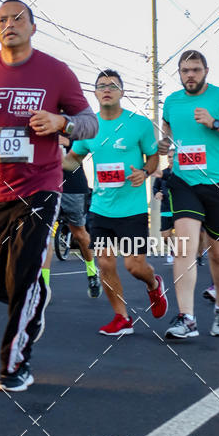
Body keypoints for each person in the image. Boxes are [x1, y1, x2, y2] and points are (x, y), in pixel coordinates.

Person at [0, 0, 98, 392]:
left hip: (41, 187)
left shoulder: (56, 72)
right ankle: (32, 296)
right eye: (2, 19)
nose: (9, 24)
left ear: (33, 27)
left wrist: (61, 121)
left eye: (18, 18)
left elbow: (90, 122)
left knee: (26, 274)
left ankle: (14, 366)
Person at [64, 70, 167, 336]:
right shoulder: (89, 128)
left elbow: (154, 158)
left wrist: (144, 172)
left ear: (122, 92)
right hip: (100, 208)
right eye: (101, 86)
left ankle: (154, 284)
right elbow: (74, 159)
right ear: (95, 93)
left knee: (134, 266)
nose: (106, 89)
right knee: (106, 265)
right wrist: (47, 163)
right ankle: (121, 318)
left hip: (131, 210)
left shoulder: (139, 124)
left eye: (112, 86)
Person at [159, 50, 219, 340]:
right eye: (185, 70)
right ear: (179, 72)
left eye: (196, 70)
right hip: (184, 182)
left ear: (206, 71)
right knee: (184, 247)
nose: (190, 75)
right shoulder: (172, 102)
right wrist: (164, 145)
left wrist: (214, 123)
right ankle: (187, 318)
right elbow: (168, 130)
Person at [40, 133, 100, 298]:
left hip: (73, 187)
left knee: (79, 233)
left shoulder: (74, 123)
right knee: (45, 236)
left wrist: (69, 141)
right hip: (47, 186)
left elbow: (90, 144)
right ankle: (44, 287)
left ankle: (92, 273)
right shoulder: (39, 121)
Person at [153, 149, 175, 265]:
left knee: (185, 235)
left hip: (181, 208)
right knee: (166, 236)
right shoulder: (162, 173)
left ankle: (189, 254)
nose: (171, 159)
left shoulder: (182, 173)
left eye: (173, 156)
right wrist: (157, 193)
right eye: (169, 157)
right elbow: (155, 187)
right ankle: (173, 250)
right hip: (166, 208)